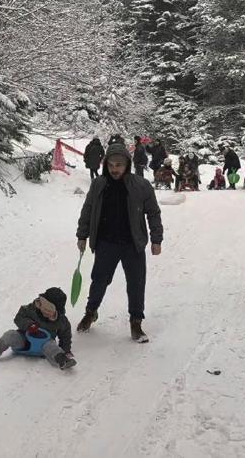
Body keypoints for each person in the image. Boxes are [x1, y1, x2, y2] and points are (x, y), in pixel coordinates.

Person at [75, 144, 164, 342]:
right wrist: (82, 235)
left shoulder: (141, 185)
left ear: (127, 165)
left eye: (119, 165)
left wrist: (156, 239)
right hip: (106, 243)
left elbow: (153, 213)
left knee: (136, 283)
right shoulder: (99, 184)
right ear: (105, 164)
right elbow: (88, 210)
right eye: (111, 164)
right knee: (99, 280)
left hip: (133, 243)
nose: (115, 169)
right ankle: (91, 312)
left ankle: (136, 321)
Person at [0, 287, 76, 370]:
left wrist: (66, 350)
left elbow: (65, 336)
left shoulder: (61, 321)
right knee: (10, 335)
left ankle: (62, 360)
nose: (45, 312)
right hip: (24, 341)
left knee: (52, 346)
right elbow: (19, 318)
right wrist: (29, 325)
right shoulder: (31, 309)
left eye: (49, 311)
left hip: (44, 347)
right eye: (44, 308)